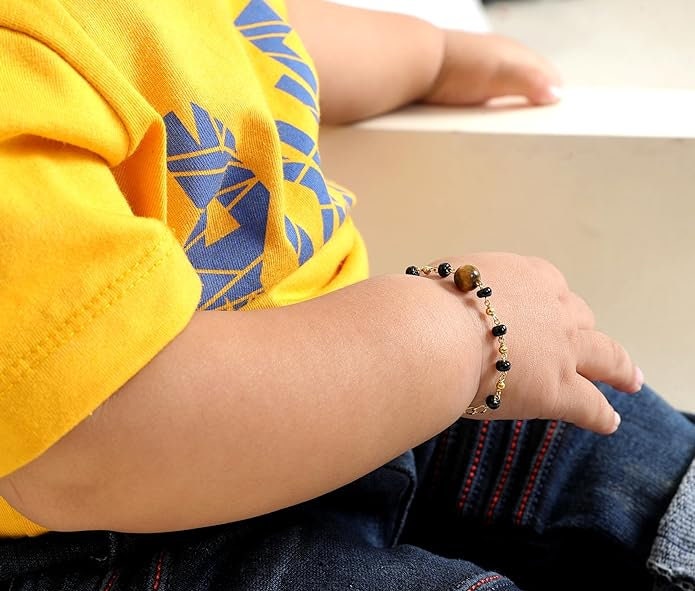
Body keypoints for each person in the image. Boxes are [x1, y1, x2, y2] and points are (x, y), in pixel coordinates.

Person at [0, 1, 692, 590]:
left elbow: (262, 32)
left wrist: (432, 58)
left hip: (348, 383)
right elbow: (91, 439)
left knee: (618, 449)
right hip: (111, 530)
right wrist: (460, 335)